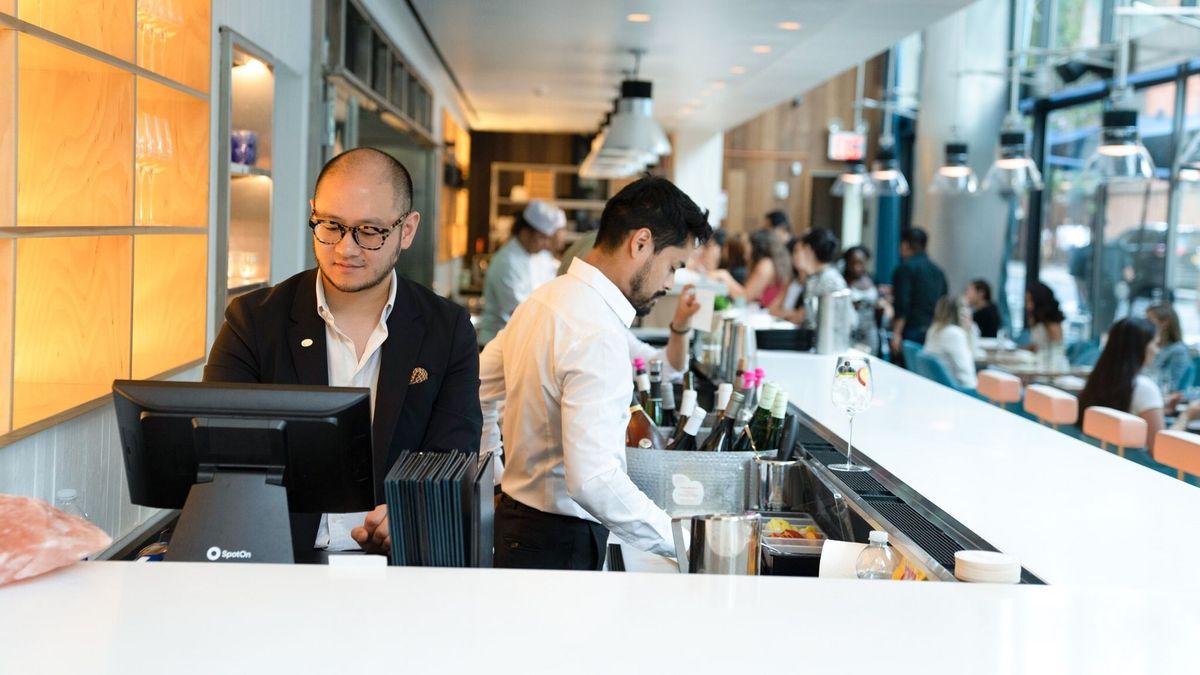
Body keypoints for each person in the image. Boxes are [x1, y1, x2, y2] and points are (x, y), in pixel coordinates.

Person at [203, 147, 482, 558]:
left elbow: (452, 457)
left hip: (398, 565)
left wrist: (407, 514)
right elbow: (220, 450)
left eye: (369, 231)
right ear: (314, 213)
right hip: (276, 558)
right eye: (331, 225)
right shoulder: (254, 321)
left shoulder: (447, 330)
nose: (346, 248)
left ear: (406, 230)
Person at [479, 176, 711, 570]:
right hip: (559, 541)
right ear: (640, 243)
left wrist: (496, 476)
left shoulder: (543, 299)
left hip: (516, 525)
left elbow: (478, 388)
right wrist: (683, 543)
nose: (669, 284)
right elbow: (594, 480)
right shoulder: (596, 329)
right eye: (672, 266)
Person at [477, 200, 565, 347]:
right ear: (525, 233)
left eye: (547, 239)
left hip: (525, 342)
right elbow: (519, 311)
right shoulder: (506, 261)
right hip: (499, 342)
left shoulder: (543, 257)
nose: (546, 244)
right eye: (541, 238)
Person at [1077, 318, 1164, 451]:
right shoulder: (1145, 388)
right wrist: (1185, 417)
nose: (1157, 351)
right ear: (1142, 346)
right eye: (1155, 344)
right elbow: (1160, 449)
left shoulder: (1099, 379)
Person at [890, 227, 948, 356]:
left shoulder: (905, 269)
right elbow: (944, 303)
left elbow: (902, 304)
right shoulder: (938, 272)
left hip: (911, 330)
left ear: (905, 245)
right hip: (933, 331)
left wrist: (896, 334)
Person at [923, 296, 978, 390]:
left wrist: (969, 330)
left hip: (938, 386)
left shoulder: (934, 329)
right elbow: (967, 371)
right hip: (959, 391)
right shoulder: (955, 334)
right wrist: (977, 392)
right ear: (960, 313)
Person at [843, 246, 890, 354]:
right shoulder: (843, 282)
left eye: (861, 263)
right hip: (851, 332)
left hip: (871, 332)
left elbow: (882, 302)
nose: (856, 267)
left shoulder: (873, 279)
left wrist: (881, 306)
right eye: (853, 263)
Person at [1146, 304, 1191, 396]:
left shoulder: (1178, 350)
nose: (1144, 324)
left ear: (1165, 323)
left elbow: (1171, 387)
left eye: (1149, 320)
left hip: (1160, 398)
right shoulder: (1150, 345)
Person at [744, 228, 791, 308]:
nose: (747, 249)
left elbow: (745, 297)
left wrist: (724, 276)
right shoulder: (775, 263)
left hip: (763, 315)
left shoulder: (766, 264)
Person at [1024, 281, 1065, 353]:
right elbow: (1037, 346)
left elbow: (1057, 350)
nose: (1028, 306)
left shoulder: (1052, 323)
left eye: (1031, 301)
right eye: (1027, 301)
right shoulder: (1035, 319)